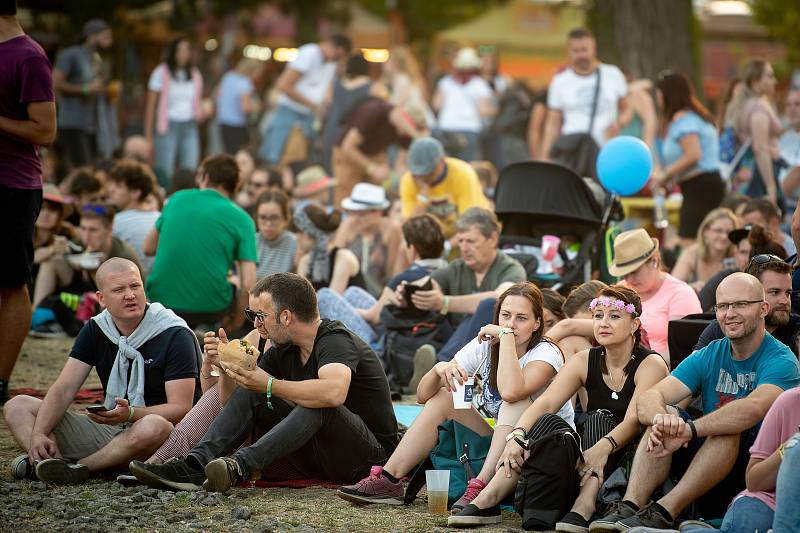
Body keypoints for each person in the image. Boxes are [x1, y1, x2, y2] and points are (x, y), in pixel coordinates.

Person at [129, 272, 398, 492]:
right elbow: (229, 403)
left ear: (286, 317)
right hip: (316, 454)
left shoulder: (335, 339)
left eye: (259, 315)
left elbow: (334, 392)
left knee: (317, 402)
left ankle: (237, 466)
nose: (255, 324)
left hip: (366, 458)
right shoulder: (284, 348)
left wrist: (268, 384)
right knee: (254, 391)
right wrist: (225, 368)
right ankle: (194, 465)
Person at [589, 273, 800, 530]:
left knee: (726, 427)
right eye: (722, 306)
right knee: (667, 413)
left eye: (740, 305)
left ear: (763, 309)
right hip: (706, 461)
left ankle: (664, 510)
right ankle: (631, 506)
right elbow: (649, 398)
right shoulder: (711, 352)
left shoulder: (782, 360)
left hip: (757, 468)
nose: (729, 313)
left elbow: (751, 409)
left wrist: (689, 429)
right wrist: (663, 420)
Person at [338, 282, 574, 511]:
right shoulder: (485, 345)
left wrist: (506, 338)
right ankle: (390, 479)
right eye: (505, 316)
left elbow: (511, 392)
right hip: (502, 443)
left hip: (541, 446)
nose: (511, 324)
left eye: (521, 318)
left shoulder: (546, 351)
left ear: (536, 324)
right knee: (444, 397)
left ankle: (480, 485)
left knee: (516, 401)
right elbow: (422, 396)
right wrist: (438, 369)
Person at [448, 286, 669, 528]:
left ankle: (585, 505)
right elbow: (546, 403)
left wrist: (603, 448)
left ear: (635, 324)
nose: (603, 323)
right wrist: (517, 435)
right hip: (586, 459)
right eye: (598, 316)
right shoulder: (584, 360)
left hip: (630, 459)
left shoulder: (651, 363)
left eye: (614, 316)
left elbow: (633, 420)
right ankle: (490, 497)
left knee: (598, 419)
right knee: (546, 421)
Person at [4, 258, 200, 485]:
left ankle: (77, 468)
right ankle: (47, 461)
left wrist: (130, 414)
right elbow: (64, 388)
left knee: (153, 425)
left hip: (160, 437)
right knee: (17, 406)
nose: (130, 295)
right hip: (110, 428)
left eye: (135, 286)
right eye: (119, 289)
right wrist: (38, 434)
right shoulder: (97, 328)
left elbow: (182, 409)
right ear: (101, 299)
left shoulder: (174, 333)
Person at [0, 0, 56, 404]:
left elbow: (45, 129)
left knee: (10, 282)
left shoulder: (28, 56)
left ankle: (0, 382)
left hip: (12, 187)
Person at [144, 154, 257, 331]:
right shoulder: (242, 219)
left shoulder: (176, 199)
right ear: (236, 185)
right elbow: (248, 283)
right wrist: (236, 323)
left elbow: (148, 248)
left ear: (204, 177)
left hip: (161, 302)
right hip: (210, 309)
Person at [405, 207, 527, 368]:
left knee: (486, 306)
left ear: (492, 239)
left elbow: (500, 298)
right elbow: (427, 283)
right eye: (461, 241)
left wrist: (445, 303)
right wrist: (407, 291)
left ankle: (441, 366)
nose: (464, 248)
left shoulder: (511, 269)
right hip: (450, 337)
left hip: (489, 344)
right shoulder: (456, 268)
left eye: (470, 241)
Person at [317, 214, 447, 348]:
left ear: (412, 249)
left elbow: (374, 317)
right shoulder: (446, 272)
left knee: (325, 297)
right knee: (352, 293)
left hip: (381, 346)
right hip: (412, 334)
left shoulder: (404, 279)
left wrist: (346, 309)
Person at [31, 202, 143, 321]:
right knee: (52, 261)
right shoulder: (79, 243)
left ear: (109, 229)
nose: (87, 236)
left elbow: (136, 292)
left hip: (111, 298)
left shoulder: (122, 255)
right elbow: (35, 258)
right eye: (83, 229)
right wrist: (55, 250)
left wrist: (97, 270)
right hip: (81, 290)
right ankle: (37, 314)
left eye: (93, 230)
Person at [652, 72, 726, 246]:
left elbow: (693, 154)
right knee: (703, 242)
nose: (658, 100)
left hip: (700, 187)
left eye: (659, 95)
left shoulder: (683, 119)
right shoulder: (695, 117)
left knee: (690, 242)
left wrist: (665, 174)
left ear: (667, 95)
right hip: (700, 185)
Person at [542, 28, 627, 176]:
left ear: (593, 48)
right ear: (568, 51)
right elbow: (552, 122)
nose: (581, 55)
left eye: (584, 49)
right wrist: (545, 157)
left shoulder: (613, 74)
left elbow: (627, 107)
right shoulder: (560, 81)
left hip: (606, 152)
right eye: (576, 51)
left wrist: (619, 123)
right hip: (573, 154)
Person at [258, 35, 351, 165]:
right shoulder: (308, 54)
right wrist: (312, 105)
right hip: (290, 111)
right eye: (338, 55)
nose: (337, 59)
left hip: (309, 116)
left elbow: (327, 90)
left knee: (300, 160)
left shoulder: (330, 63)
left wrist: (323, 107)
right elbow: (284, 85)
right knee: (275, 155)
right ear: (334, 47)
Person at [610, 229, 701, 357]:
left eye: (634, 272)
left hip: (663, 369)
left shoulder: (681, 294)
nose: (629, 279)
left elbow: (681, 351)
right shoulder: (620, 290)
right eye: (625, 274)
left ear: (654, 261)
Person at [696, 253, 800, 357]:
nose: (785, 301)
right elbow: (691, 370)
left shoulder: (797, 330)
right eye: (775, 292)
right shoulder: (724, 326)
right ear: (750, 293)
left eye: (788, 293)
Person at [332, 96, 427, 206]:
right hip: (347, 154)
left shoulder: (405, 135)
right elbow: (348, 146)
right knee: (346, 196)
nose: (405, 133)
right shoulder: (374, 111)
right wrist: (372, 168)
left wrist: (405, 181)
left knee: (375, 196)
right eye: (407, 129)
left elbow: (400, 164)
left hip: (375, 153)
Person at [399, 137, 490, 239]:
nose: (422, 176)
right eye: (417, 172)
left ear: (442, 161)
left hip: (470, 234)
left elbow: (470, 224)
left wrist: (447, 247)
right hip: (437, 239)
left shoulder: (462, 173)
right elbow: (408, 228)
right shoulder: (410, 179)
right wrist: (422, 199)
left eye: (428, 171)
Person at [144, 37, 205, 187]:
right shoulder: (161, 72)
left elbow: (197, 102)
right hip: (167, 125)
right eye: (180, 50)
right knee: (165, 170)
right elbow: (151, 107)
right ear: (173, 52)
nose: (184, 54)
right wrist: (148, 137)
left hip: (189, 125)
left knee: (190, 169)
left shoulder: (195, 74)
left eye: (186, 50)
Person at [53, 19, 112, 168]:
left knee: (90, 169)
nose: (109, 41)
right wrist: (85, 89)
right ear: (91, 36)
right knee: (81, 170)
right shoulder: (71, 54)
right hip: (72, 122)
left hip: (91, 125)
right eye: (105, 37)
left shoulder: (96, 58)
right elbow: (55, 83)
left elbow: (95, 85)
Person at [728, 59, 784, 209]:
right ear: (756, 80)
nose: (775, 81)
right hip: (760, 174)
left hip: (749, 173)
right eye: (770, 76)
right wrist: (771, 188)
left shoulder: (745, 104)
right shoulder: (758, 107)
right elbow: (760, 148)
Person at [697, 223, 788, 312]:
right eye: (743, 252)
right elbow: (696, 311)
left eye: (752, 252)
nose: (747, 258)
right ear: (736, 254)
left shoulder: (781, 281)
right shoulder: (724, 278)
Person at [334, 183, 405, 295]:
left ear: (378, 212)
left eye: (362, 214)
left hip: (379, 293)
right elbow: (334, 264)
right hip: (347, 292)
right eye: (353, 212)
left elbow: (393, 272)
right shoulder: (347, 227)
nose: (356, 219)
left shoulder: (390, 230)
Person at [432, 47, 496, 161]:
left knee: (446, 165)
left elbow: (436, 105)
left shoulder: (445, 82)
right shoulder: (479, 84)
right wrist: (497, 110)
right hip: (469, 129)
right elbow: (483, 111)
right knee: (466, 166)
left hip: (446, 127)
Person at [321, 51, 379, 173]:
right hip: (354, 134)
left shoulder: (336, 82)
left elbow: (326, 102)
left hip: (333, 129)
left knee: (330, 171)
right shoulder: (371, 86)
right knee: (351, 173)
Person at [293, 202, 365, 294]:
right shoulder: (305, 262)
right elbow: (301, 299)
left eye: (299, 231)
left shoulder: (343, 258)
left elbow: (331, 301)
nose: (297, 237)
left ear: (309, 234)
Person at [106, 159, 160, 277]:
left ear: (135, 192)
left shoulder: (117, 221)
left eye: (118, 186)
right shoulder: (159, 217)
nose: (111, 190)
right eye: (112, 184)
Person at [671, 208, 738, 292]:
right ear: (705, 232)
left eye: (729, 232)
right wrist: (691, 287)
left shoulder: (738, 255)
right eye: (718, 231)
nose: (724, 237)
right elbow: (673, 286)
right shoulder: (692, 253)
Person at [216, 58, 262, 154]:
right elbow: (245, 108)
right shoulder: (245, 83)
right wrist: (258, 106)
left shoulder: (228, 76)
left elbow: (218, 95)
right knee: (239, 154)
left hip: (223, 121)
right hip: (236, 124)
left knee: (228, 151)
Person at [254, 189, 296, 279]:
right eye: (263, 217)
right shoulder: (251, 242)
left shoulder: (295, 244)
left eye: (274, 218)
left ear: (286, 219)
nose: (268, 224)